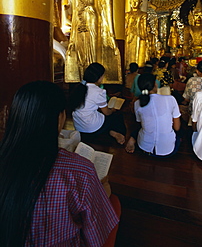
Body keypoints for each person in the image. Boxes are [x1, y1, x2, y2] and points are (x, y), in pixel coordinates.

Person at [0, 81, 119, 247]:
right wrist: (103, 194)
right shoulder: (80, 170)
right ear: (60, 117)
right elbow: (96, 236)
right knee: (114, 203)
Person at [70, 62, 126, 144]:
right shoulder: (99, 91)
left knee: (101, 115)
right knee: (117, 116)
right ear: (99, 77)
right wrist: (113, 110)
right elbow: (107, 113)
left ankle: (109, 131)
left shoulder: (78, 88)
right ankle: (115, 132)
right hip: (92, 128)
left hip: (79, 128)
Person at [126, 73, 181, 155]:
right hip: (167, 151)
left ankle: (133, 138)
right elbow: (177, 127)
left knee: (142, 128)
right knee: (180, 134)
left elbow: (140, 123)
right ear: (155, 84)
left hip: (144, 148)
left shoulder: (137, 103)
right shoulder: (170, 99)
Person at [125, 0, 148, 68]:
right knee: (128, 52)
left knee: (137, 52)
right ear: (130, 3)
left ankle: (137, 66)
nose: (134, 3)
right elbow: (125, 26)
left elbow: (143, 26)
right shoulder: (127, 14)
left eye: (136, 1)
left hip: (138, 35)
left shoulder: (143, 14)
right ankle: (127, 66)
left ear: (140, 3)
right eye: (133, 1)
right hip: (128, 35)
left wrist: (144, 36)